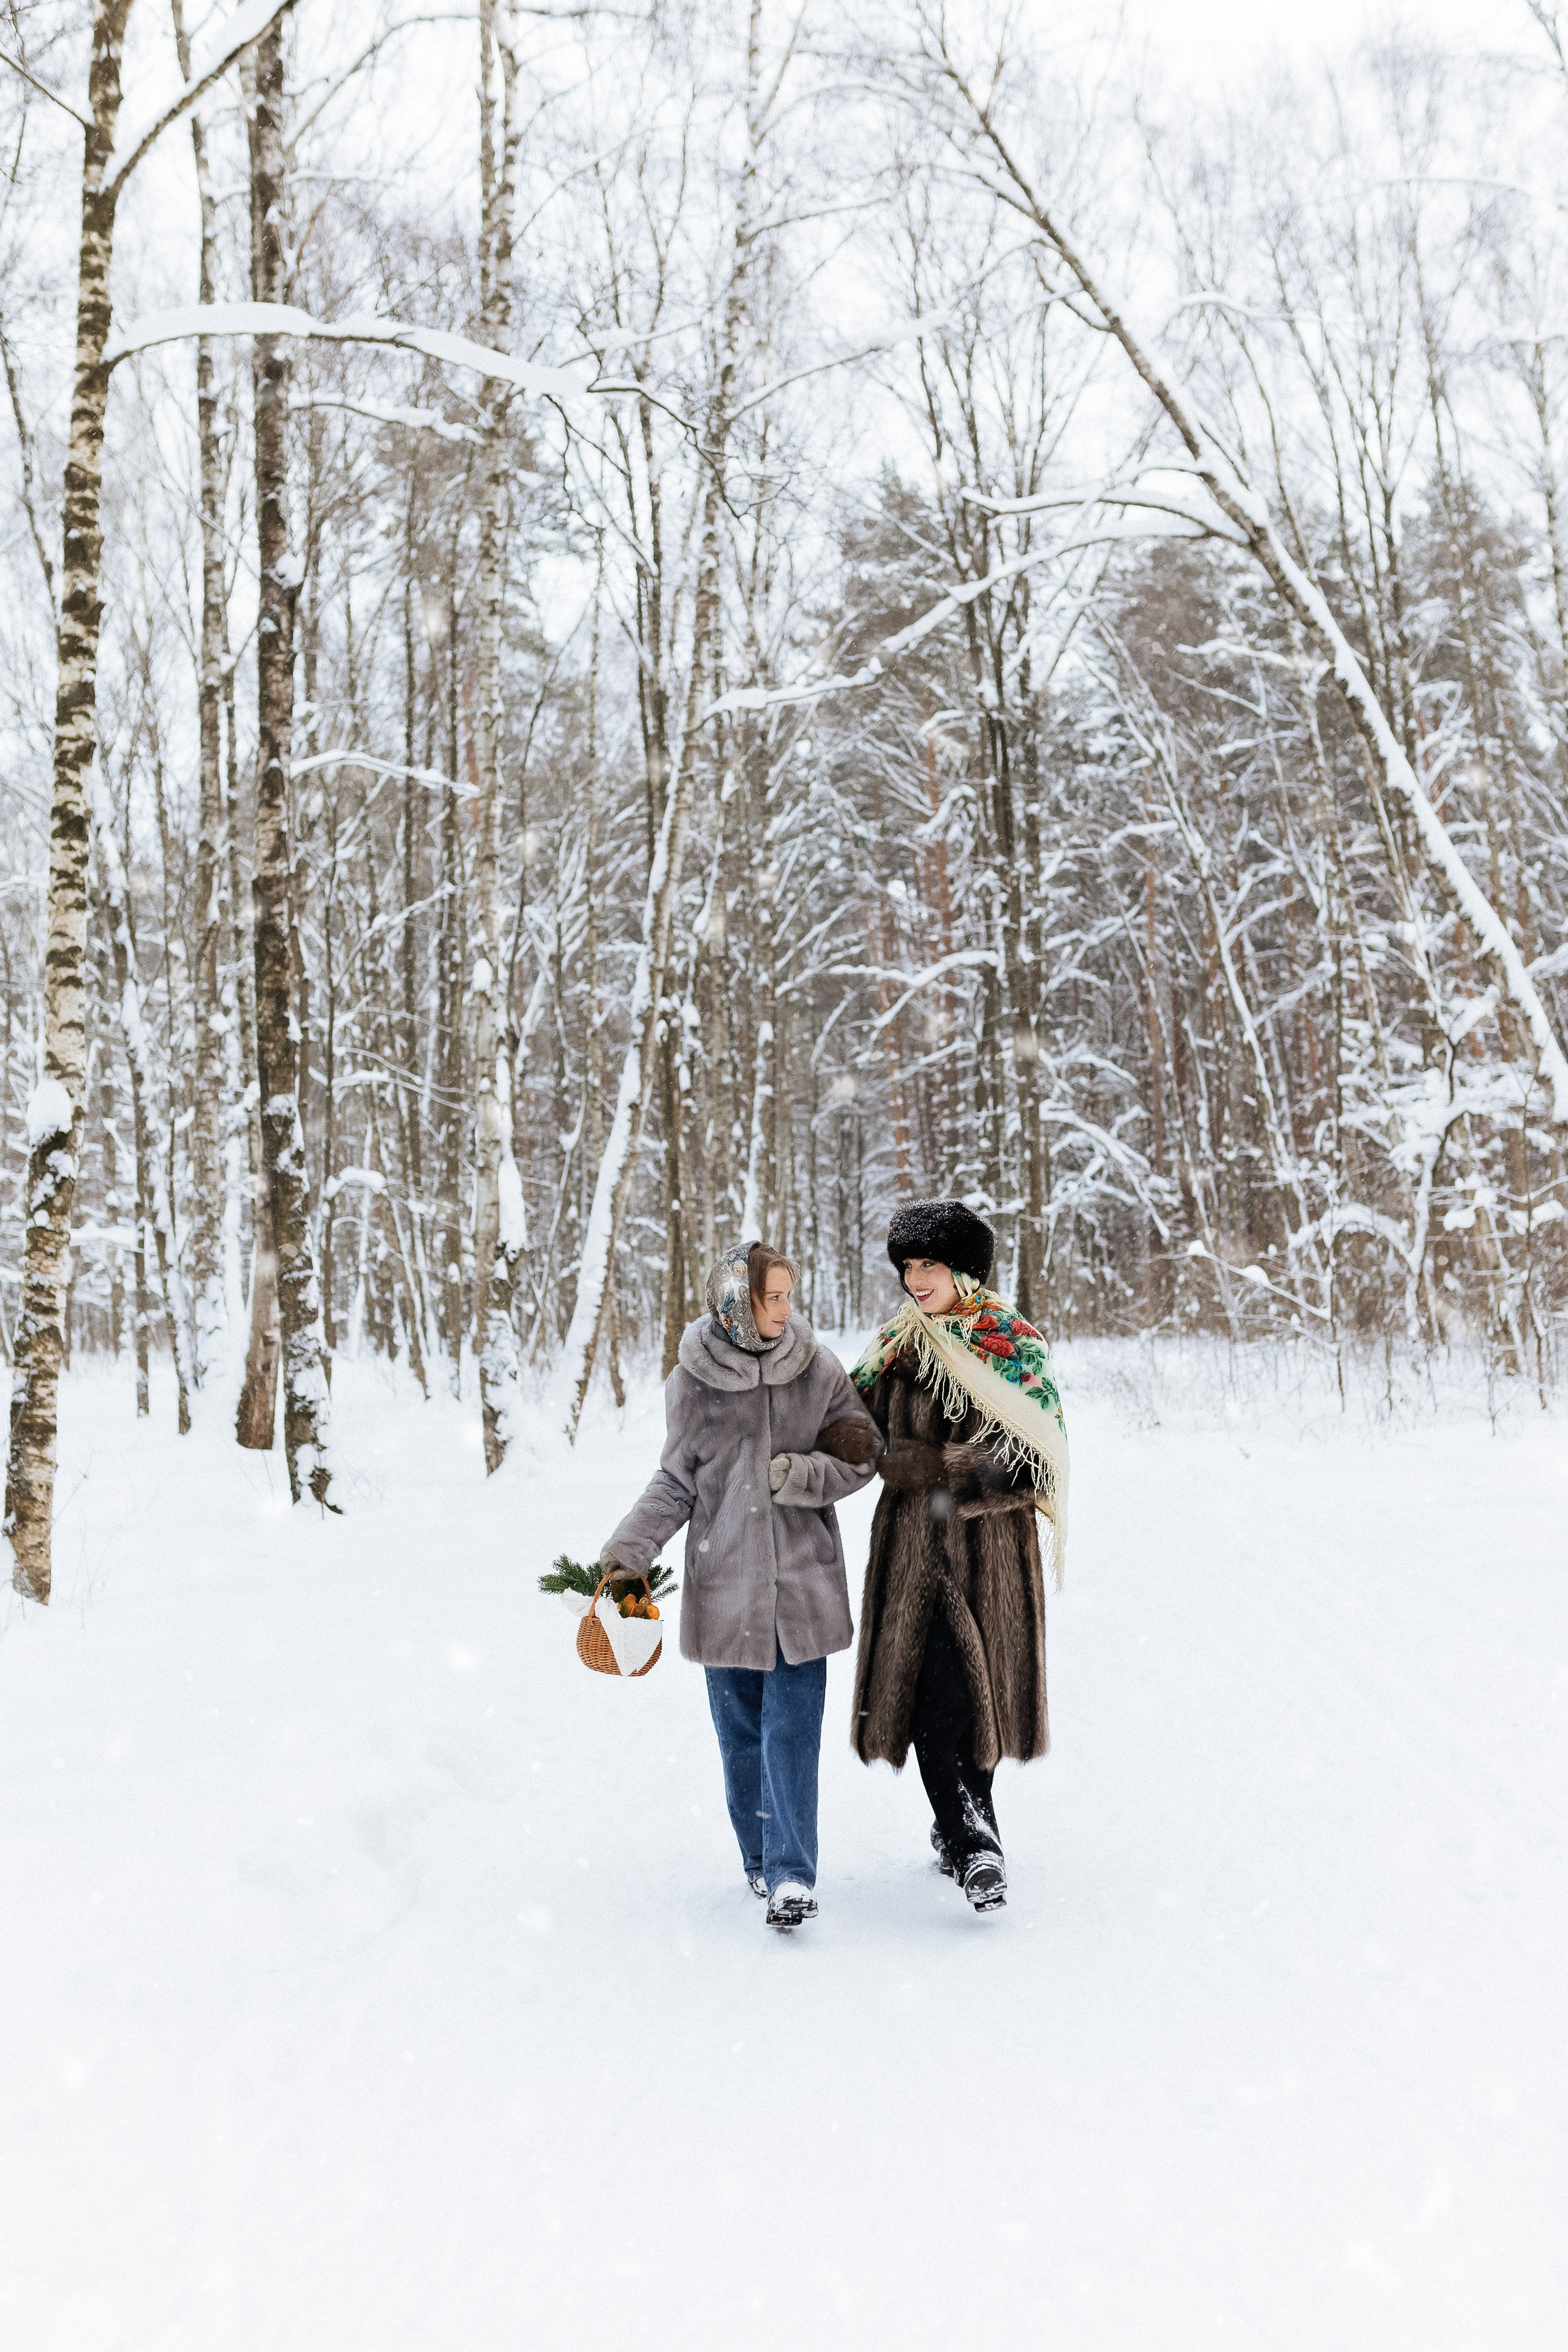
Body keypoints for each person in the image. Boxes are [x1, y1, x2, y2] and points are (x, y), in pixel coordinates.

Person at [601, 1241, 881, 1931]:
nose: (785, 1310)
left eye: (788, 1295)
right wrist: (630, 1550)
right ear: (736, 1302)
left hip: (802, 1590)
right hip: (724, 1589)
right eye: (771, 1297)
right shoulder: (691, 1382)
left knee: (793, 1736)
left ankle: (791, 1875)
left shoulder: (816, 1368)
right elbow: (676, 1481)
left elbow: (861, 1450)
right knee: (742, 1740)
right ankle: (758, 1857)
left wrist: (805, 1475)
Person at [847, 1200, 1069, 1915]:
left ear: (965, 1271)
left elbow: (1038, 1461)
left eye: (930, 1265)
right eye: (908, 1266)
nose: (916, 1280)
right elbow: (845, 1430)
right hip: (911, 1553)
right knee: (928, 1698)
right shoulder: (895, 1348)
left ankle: (962, 1830)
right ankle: (973, 1841)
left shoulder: (1012, 1346)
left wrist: (939, 1467)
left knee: (976, 1704)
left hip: (990, 1555)